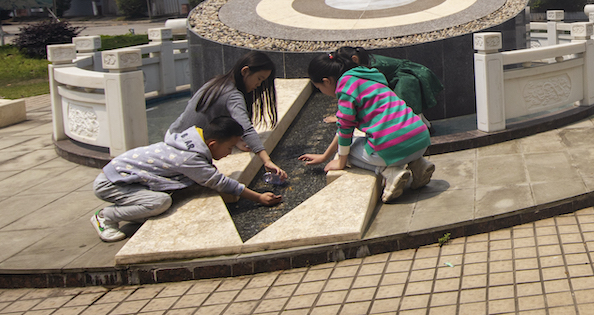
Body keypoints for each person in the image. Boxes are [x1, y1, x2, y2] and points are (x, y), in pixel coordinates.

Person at [90, 115, 282, 242]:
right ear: (212, 143)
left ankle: (133, 212)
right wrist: (258, 197)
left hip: (125, 178)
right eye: (229, 147)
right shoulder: (189, 157)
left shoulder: (193, 141)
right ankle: (105, 217)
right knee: (161, 202)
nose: (229, 152)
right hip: (112, 183)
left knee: (161, 201)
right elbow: (219, 182)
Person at [300, 54, 435, 203]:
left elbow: (345, 131)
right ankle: (419, 164)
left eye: (319, 88)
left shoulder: (345, 90)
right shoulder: (369, 77)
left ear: (327, 81)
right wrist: (325, 156)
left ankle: (390, 172)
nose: (322, 92)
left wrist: (341, 162)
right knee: (381, 140)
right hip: (421, 139)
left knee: (347, 152)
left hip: (394, 148)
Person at [167, 50, 287, 182]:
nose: (259, 85)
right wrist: (266, 160)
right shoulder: (232, 95)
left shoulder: (217, 82)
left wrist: (237, 141)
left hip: (173, 135)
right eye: (259, 79)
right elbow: (246, 127)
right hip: (184, 148)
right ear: (245, 71)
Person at [319, 46, 443, 121]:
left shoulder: (371, 69)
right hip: (406, 77)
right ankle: (425, 128)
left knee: (407, 110)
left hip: (407, 79)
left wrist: (344, 117)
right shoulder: (366, 61)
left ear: (354, 60)